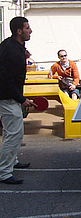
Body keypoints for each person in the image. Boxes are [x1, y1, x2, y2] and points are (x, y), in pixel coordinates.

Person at [0, 17, 36, 184]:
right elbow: (5, 80)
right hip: (6, 99)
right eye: (27, 28)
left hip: (9, 97)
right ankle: (4, 173)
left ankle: (12, 162)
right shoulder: (11, 51)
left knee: (11, 133)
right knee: (14, 135)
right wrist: (21, 99)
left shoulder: (13, 46)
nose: (31, 31)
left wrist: (24, 53)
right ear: (19, 31)